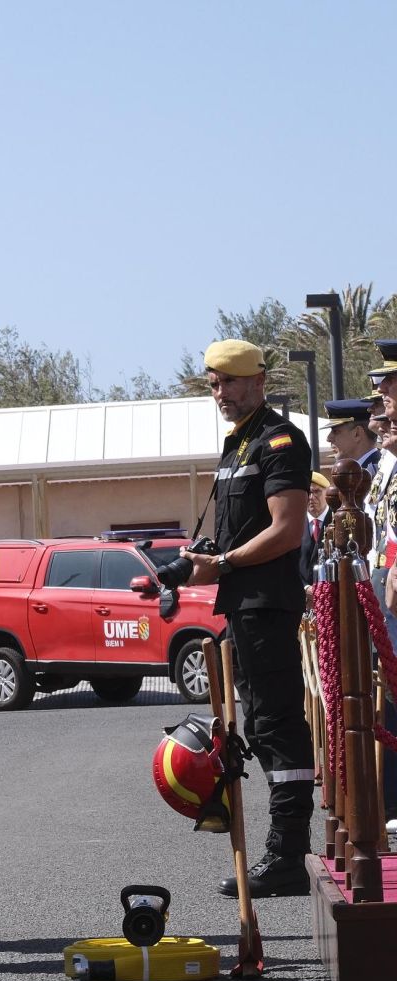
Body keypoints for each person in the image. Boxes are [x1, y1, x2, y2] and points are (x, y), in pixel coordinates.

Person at [181, 340, 314, 898]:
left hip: (267, 603)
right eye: (213, 385)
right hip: (242, 604)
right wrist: (200, 563)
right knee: (257, 726)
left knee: (276, 727)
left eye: (229, 383)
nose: (220, 395)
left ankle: (287, 857)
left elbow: (287, 529)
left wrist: (226, 563)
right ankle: (284, 851)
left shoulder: (280, 440)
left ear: (258, 380)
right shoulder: (239, 445)